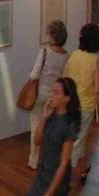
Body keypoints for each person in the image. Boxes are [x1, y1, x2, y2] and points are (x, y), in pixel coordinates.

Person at [62, 23, 99, 180]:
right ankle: (66, 175)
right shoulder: (95, 60)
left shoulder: (74, 56)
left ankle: (81, 169)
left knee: (79, 137)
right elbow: (97, 89)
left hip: (71, 104)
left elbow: (64, 78)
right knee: (78, 140)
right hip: (86, 106)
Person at [27, 21, 71, 169]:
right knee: (51, 127)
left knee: (36, 126)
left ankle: (33, 160)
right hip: (55, 96)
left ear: (53, 35)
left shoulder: (45, 52)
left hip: (40, 93)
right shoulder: (66, 56)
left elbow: (34, 74)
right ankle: (49, 159)